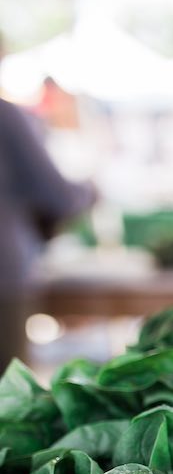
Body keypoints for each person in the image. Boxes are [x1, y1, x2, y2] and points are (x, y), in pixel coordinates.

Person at [0, 33, 95, 371]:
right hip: (4, 273)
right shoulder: (7, 117)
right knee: (8, 399)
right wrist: (89, 190)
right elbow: (59, 196)